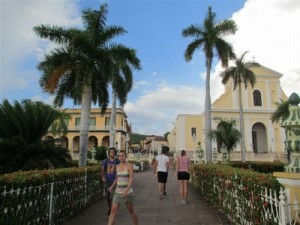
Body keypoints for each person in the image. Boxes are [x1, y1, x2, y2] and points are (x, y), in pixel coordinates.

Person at [107, 150, 138, 225]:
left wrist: (127, 190)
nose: (121, 157)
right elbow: (117, 179)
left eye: (123, 155)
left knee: (131, 211)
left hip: (127, 193)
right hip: (117, 192)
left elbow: (131, 179)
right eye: (120, 156)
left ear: (125, 156)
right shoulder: (117, 166)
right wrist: (112, 186)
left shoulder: (129, 166)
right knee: (113, 211)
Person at [101, 147, 120, 215]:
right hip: (108, 181)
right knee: (108, 197)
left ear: (115, 153)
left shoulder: (117, 161)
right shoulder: (105, 161)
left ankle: (112, 209)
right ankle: (110, 208)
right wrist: (103, 177)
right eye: (111, 152)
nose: (112, 153)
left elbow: (120, 169)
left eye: (113, 152)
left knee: (114, 196)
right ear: (109, 153)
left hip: (115, 181)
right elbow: (102, 170)